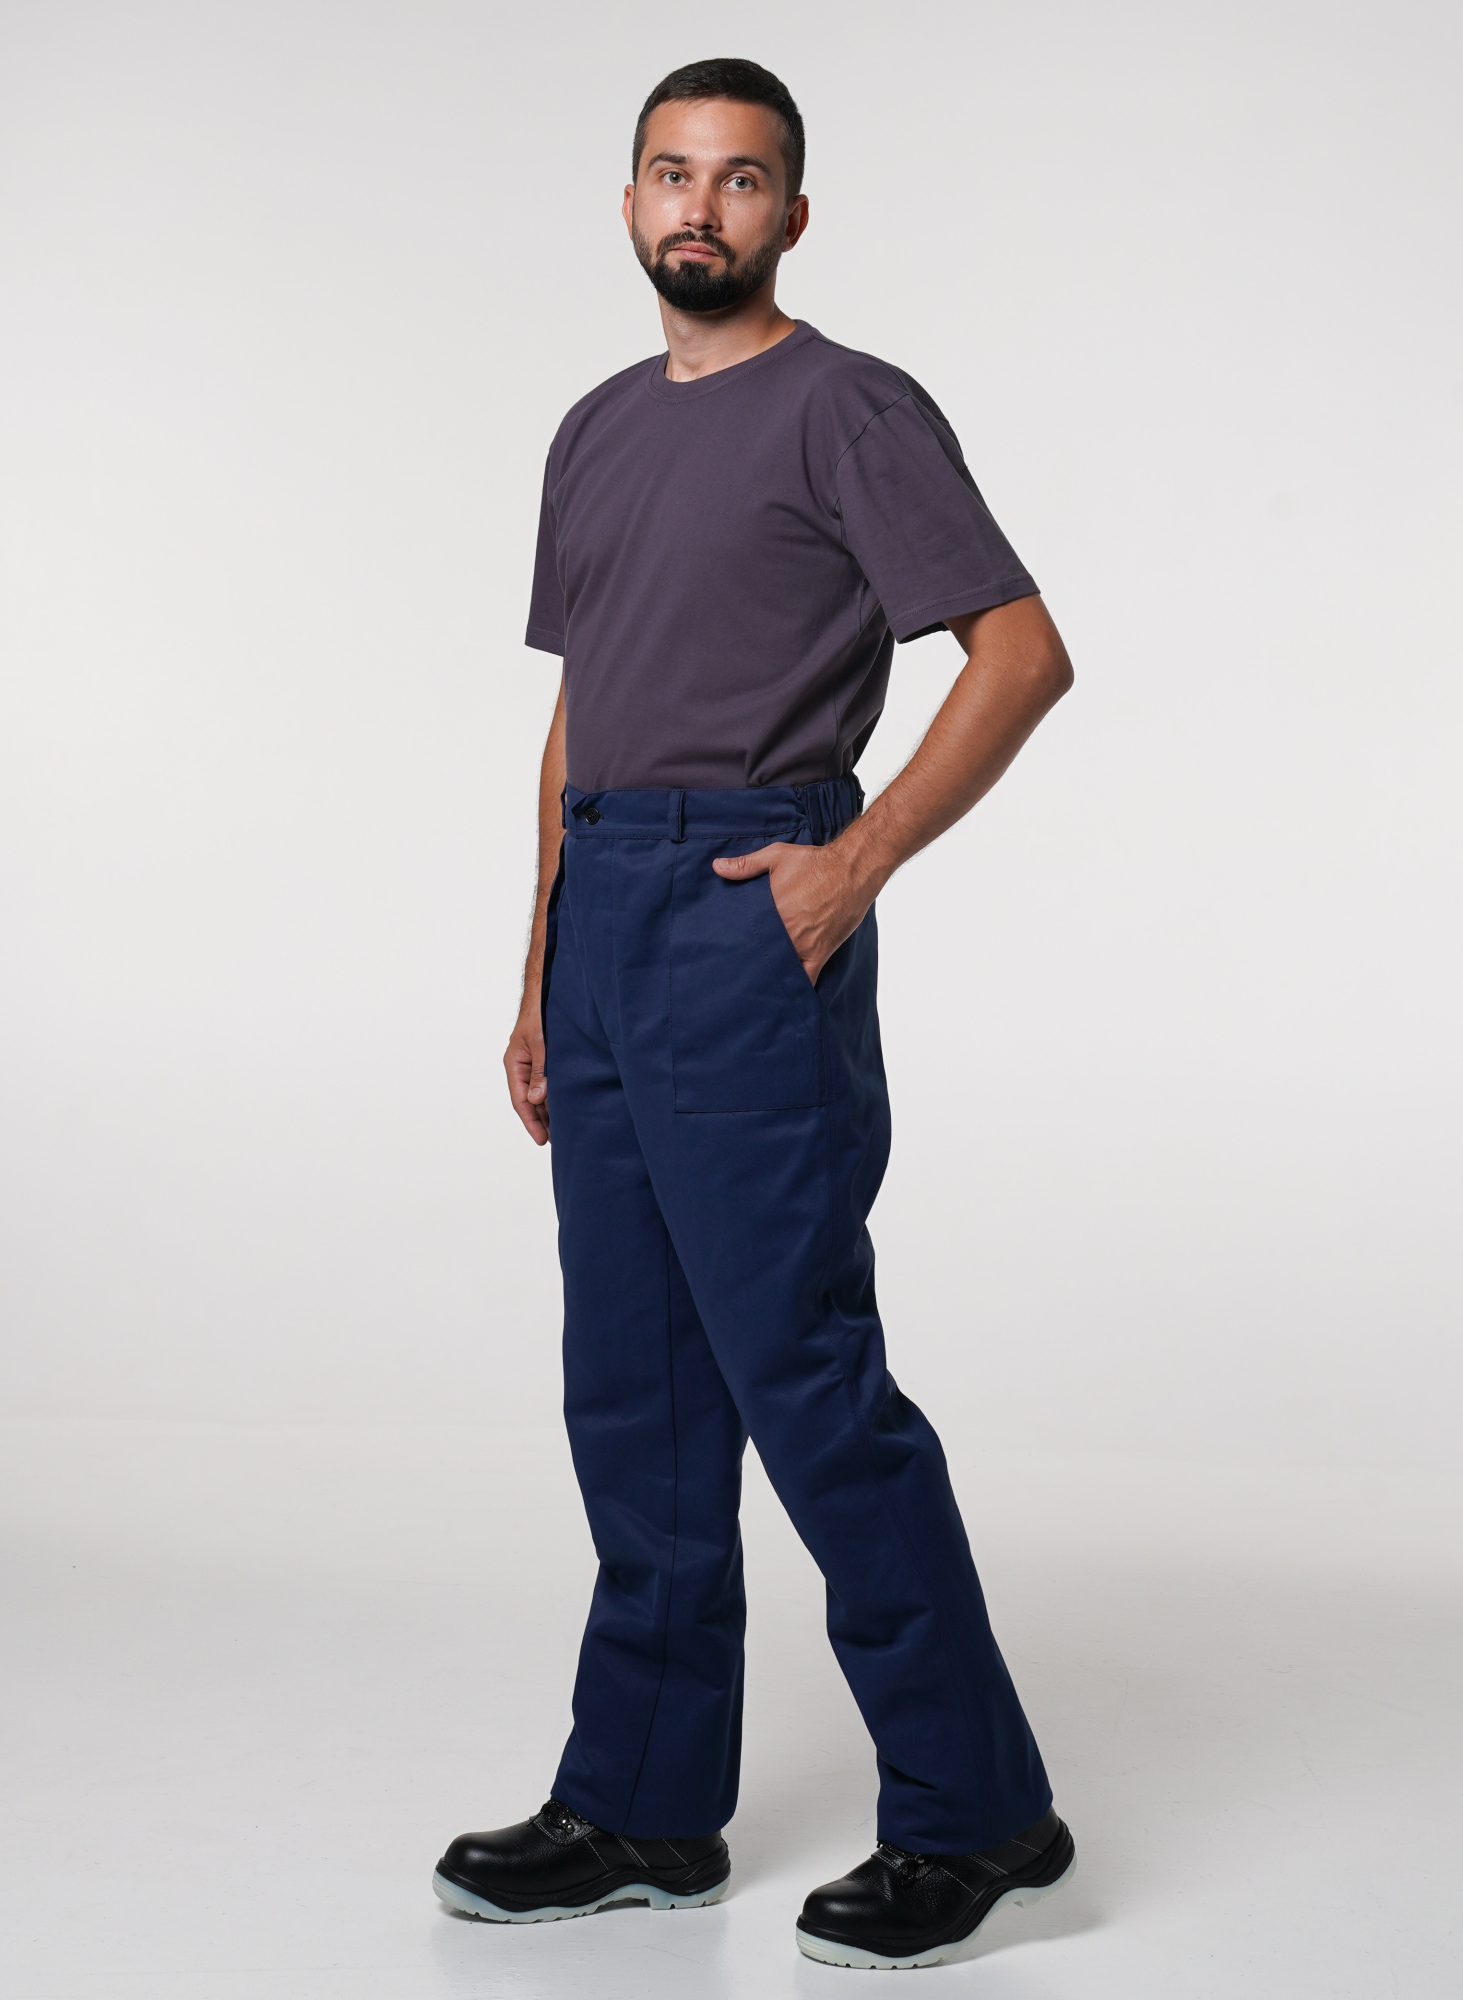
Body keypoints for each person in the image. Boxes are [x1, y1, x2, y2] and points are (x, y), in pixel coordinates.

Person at [433, 57, 1077, 1973]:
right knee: (633, 1391)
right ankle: (642, 1804)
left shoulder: (847, 406)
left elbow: (1023, 653)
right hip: (608, 910)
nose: (698, 205)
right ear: (629, 200)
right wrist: (539, 964)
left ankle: (975, 1809)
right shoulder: (594, 430)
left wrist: (847, 868)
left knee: (804, 1379)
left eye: (739, 178)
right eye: (670, 172)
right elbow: (581, 711)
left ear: (793, 214)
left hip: (743, 909)